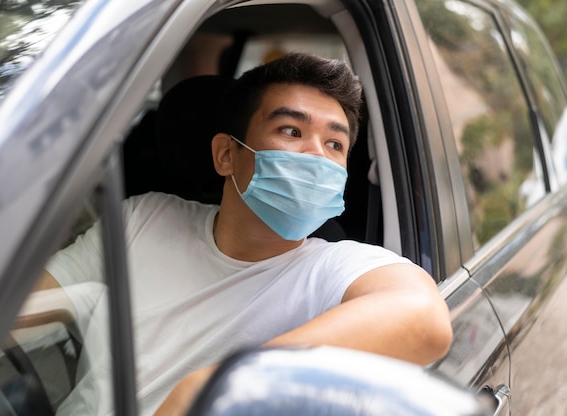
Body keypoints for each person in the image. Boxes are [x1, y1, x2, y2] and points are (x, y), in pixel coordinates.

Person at [45, 52, 453, 415]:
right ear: (227, 154)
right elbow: (26, 310)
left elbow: (426, 319)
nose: (317, 154)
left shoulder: (332, 269)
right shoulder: (144, 219)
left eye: (334, 144)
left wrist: (219, 385)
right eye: (292, 131)